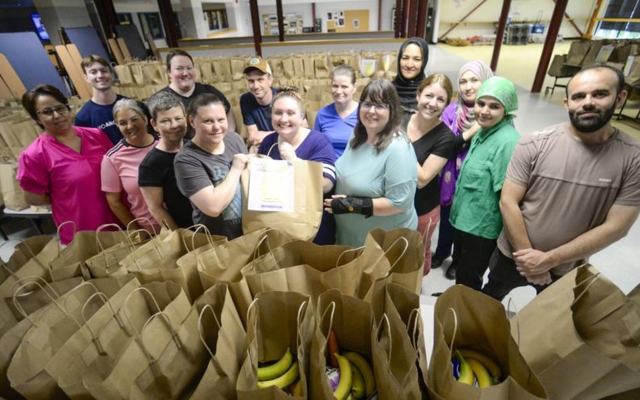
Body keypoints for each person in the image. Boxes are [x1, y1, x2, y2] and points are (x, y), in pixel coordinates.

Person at [482, 65, 640, 300]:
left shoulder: (632, 157)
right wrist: (529, 259)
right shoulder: (534, 144)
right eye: (579, 96)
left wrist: (549, 260)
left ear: (620, 97)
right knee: (488, 299)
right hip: (513, 255)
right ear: (567, 103)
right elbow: (508, 201)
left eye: (599, 94)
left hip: (566, 266)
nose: (587, 102)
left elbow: (617, 226)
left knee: (549, 323)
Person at [17, 84, 118, 244]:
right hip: (83, 230)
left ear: (68, 108)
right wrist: (67, 196)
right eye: (47, 112)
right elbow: (33, 197)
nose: (57, 115)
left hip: (120, 218)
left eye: (60, 108)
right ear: (37, 118)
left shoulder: (96, 135)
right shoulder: (35, 155)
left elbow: (117, 168)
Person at [325, 79, 418, 247]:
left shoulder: (398, 148)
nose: (371, 111)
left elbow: (400, 203)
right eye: (367, 104)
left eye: (380, 106)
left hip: (382, 244)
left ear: (392, 110)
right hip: (351, 236)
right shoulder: (357, 138)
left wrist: (350, 205)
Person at [449, 76, 520, 291]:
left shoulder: (507, 142)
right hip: (465, 220)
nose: (484, 111)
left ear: (506, 109)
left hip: (481, 228)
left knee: (470, 278)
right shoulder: (482, 130)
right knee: (462, 269)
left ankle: (463, 315)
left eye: (494, 106)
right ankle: (455, 301)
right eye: (481, 103)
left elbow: (507, 196)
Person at [436, 60, 494, 280]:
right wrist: (470, 132)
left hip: (476, 182)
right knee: (446, 218)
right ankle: (442, 253)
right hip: (449, 177)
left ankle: (457, 262)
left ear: (486, 81)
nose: (468, 86)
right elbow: (444, 143)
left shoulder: (494, 115)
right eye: (463, 81)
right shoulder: (451, 110)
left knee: (465, 226)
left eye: (474, 80)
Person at [258, 89, 337, 245]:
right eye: (278, 112)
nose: (283, 119)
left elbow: (326, 185)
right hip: (276, 225)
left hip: (312, 229)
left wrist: (294, 161)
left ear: (301, 117)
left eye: (290, 113)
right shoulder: (268, 142)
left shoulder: (318, 141)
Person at [174, 93, 249, 239]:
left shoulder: (234, 139)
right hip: (218, 242)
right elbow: (213, 207)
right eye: (208, 121)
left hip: (250, 232)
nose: (217, 127)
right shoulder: (186, 159)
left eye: (221, 120)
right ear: (191, 121)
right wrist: (235, 169)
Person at [402, 74, 455, 275]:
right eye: (429, 95)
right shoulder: (401, 119)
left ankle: (414, 287)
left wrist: (401, 142)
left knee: (418, 251)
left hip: (422, 208)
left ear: (446, 105)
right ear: (418, 95)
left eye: (440, 100)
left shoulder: (445, 137)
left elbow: (423, 179)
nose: (432, 104)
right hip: (393, 202)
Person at [101, 99, 160, 235]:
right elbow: (113, 201)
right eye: (123, 123)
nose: (130, 126)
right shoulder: (112, 158)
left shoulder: (165, 142)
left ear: (145, 119)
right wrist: (136, 230)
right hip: (149, 228)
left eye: (134, 119)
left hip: (182, 220)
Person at [139, 91, 194, 230]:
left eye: (178, 118)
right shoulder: (150, 166)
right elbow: (156, 208)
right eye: (165, 121)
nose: (174, 125)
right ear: (154, 124)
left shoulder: (195, 147)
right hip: (187, 232)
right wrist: (181, 237)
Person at [157, 49, 236, 133]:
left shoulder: (209, 91)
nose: (185, 73)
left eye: (189, 68)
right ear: (169, 72)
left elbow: (228, 112)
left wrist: (229, 138)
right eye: (179, 68)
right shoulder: (160, 99)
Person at [74, 55, 126, 145]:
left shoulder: (131, 105)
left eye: (104, 71)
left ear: (112, 74)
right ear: (86, 78)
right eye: (93, 72)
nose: (100, 75)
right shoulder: (82, 118)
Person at [314, 64, 359, 158]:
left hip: (357, 170)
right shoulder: (322, 114)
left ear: (354, 87)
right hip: (329, 169)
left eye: (344, 87)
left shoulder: (363, 114)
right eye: (335, 86)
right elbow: (316, 147)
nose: (338, 91)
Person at [240, 57, 277, 147]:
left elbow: (302, 129)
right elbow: (254, 137)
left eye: (260, 79)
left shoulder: (283, 97)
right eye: (251, 81)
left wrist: (265, 135)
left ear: (270, 80)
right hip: (263, 147)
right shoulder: (245, 100)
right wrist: (278, 133)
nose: (255, 86)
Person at [392, 37, 429, 114]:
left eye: (416, 59)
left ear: (424, 62)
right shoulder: (387, 90)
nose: (409, 65)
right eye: (405, 58)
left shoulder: (430, 93)